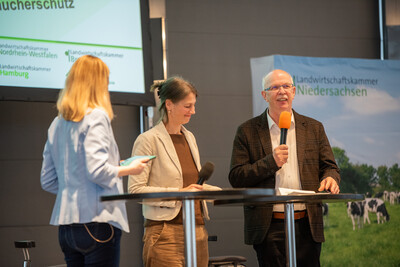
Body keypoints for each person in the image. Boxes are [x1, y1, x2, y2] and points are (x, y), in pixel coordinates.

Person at [40, 55, 149, 266]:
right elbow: (97, 171)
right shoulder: (97, 116)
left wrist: (77, 187)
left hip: (66, 228)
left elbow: (48, 180)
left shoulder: (57, 123)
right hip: (97, 223)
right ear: (99, 84)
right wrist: (129, 169)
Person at [228, 69, 340, 267]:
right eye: (275, 87)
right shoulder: (247, 131)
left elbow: (329, 167)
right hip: (269, 225)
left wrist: (330, 178)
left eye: (286, 86)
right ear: (264, 95)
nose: (282, 91)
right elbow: (237, 176)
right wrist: (271, 162)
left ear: (294, 91)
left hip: (307, 223)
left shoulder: (314, 127)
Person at [128, 76, 221, 267]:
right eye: (188, 106)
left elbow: (191, 185)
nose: (193, 111)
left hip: (197, 231)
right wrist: (180, 194)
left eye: (194, 105)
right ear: (169, 104)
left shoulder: (190, 137)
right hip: (165, 233)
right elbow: (136, 189)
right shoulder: (148, 140)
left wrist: (216, 193)